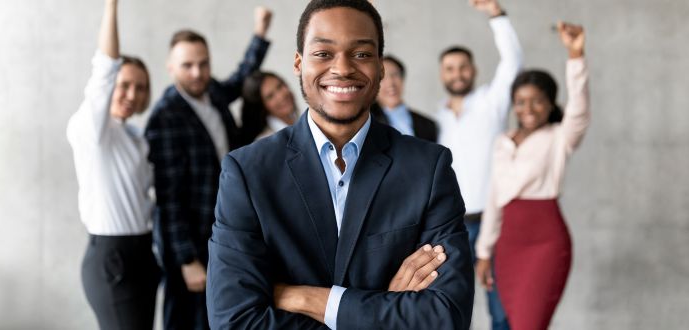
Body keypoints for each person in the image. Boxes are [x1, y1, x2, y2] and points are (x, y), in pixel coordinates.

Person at [206, 0, 474, 329]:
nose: (343, 68)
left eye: (361, 53)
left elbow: (447, 316)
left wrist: (308, 299)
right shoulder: (247, 172)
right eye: (323, 53)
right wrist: (385, 307)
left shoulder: (428, 168)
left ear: (380, 67)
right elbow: (233, 320)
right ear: (298, 63)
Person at [144, 7, 273, 330]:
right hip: (189, 241)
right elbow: (168, 198)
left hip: (220, 225)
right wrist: (187, 260)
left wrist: (259, 34)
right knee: (185, 320)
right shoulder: (165, 118)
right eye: (187, 65)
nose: (197, 72)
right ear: (171, 67)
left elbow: (239, 78)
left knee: (218, 316)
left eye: (203, 64)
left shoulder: (211, 91)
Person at [475, 22, 589, 330]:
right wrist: (484, 253)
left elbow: (579, 109)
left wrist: (575, 54)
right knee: (511, 322)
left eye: (537, 100)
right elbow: (494, 197)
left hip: (545, 243)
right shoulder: (503, 142)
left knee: (529, 324)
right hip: (508, 245)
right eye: (521, 101)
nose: (528, 108)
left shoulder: (558, 137)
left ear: (551, 104)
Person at [66, 0, 159, 328]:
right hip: (111, 258)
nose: (132, 93)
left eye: (141, 87)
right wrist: (112, 6)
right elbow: (105, 66)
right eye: (124, 85)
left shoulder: (136, 137)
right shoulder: (91, 129)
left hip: (143, 254)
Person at [435, 0, 522, 328]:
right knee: (453, 310)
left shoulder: (491, 102)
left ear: (473, 70)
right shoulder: (437, 119)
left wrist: (496, 16)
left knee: (500, 309)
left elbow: (513, 62)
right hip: (450, 226)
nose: (457, 74)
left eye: (463, 67)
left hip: (493, 222)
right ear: (442, 74)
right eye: (450, 68)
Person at [372, 55, 438, 142]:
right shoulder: (364, 123)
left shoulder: (427, 125)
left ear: (403, 79)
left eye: (395, 75)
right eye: (381, 77)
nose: (390, 83)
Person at [240, 71, 299, 141]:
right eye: (270, 96)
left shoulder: (298, 120)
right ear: (262, 107)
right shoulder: (266, 143)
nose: (281, 96)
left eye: (279, 86)